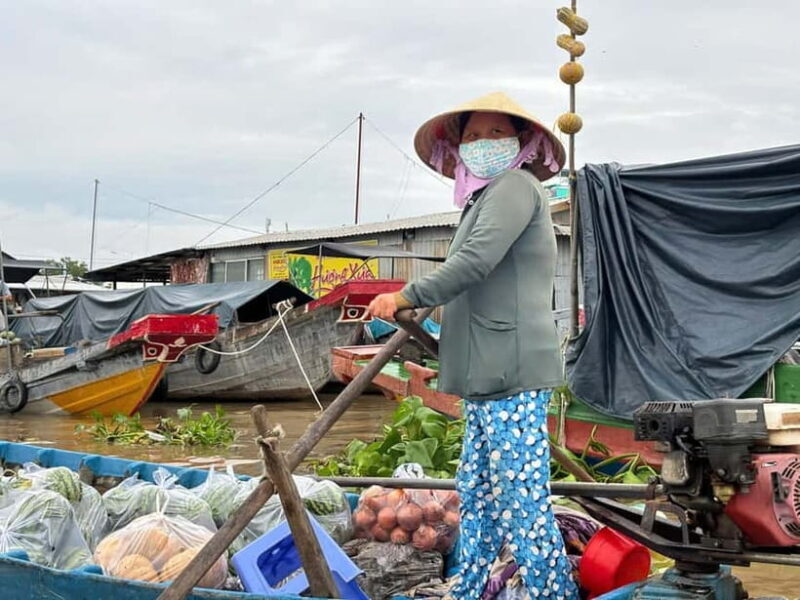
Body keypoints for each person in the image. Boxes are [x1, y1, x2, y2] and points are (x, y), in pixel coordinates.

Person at [368, 92, 578, 600]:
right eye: (472, 136)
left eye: (495, 134)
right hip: (487, 375)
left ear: (521, 142)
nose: (483, 144)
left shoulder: (513, 187)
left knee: (521, 501)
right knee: (480, 496)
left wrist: (407, 294)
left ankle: (554, 593)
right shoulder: (481, 200)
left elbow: (476, 262)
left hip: (513, 371)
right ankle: (472, 589)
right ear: (459, 148)